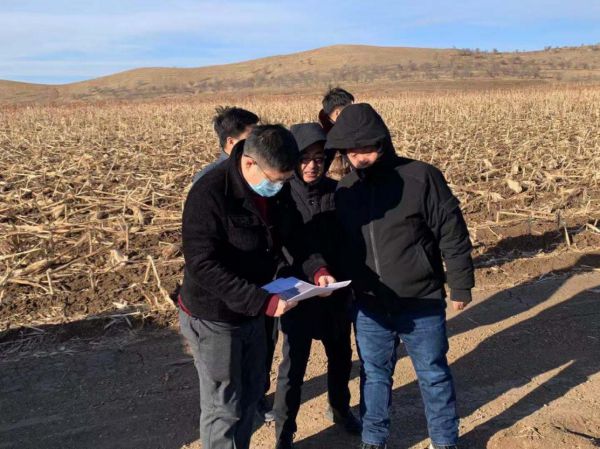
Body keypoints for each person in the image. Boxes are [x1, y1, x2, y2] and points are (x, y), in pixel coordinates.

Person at [326, 104, 475, 449]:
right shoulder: (346, 190)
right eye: (351, 151)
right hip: (370, 305)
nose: (358, 157)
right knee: (374, 374)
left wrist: (461, 283)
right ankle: (373, 439)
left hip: (420, 300)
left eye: (365, 148)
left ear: (382, 141)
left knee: (433, 374)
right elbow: (343, 245)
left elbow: (451, 232)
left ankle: (444, 441)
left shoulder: (421, 177)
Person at [180, 124, 337, 449]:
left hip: (255, 310)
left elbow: (295, 234)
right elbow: (203, 265)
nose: (278, 187)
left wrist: (317, 269)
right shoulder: (209, 194)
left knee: (251, 393)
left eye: (284, 181)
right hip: (215, 316)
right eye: (274, 180)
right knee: (224, 406)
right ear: (249, 162)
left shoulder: (276, 190)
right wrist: (260, 301)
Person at [272, 123, 361, 449]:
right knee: (293, 367)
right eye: (304, 158)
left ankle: (340, 409)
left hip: (334, 292)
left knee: (340, 356)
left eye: (319, 159)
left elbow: (351, 240)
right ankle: (284, 432)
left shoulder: (338, 192)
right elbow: (283, 246)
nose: (312, 166)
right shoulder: (281, 196)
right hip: (297, 295)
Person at [192, 106, 259, 184]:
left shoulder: (263, 167)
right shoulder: (207, 179)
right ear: (231, 142)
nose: (258, 140)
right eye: (252, 136)